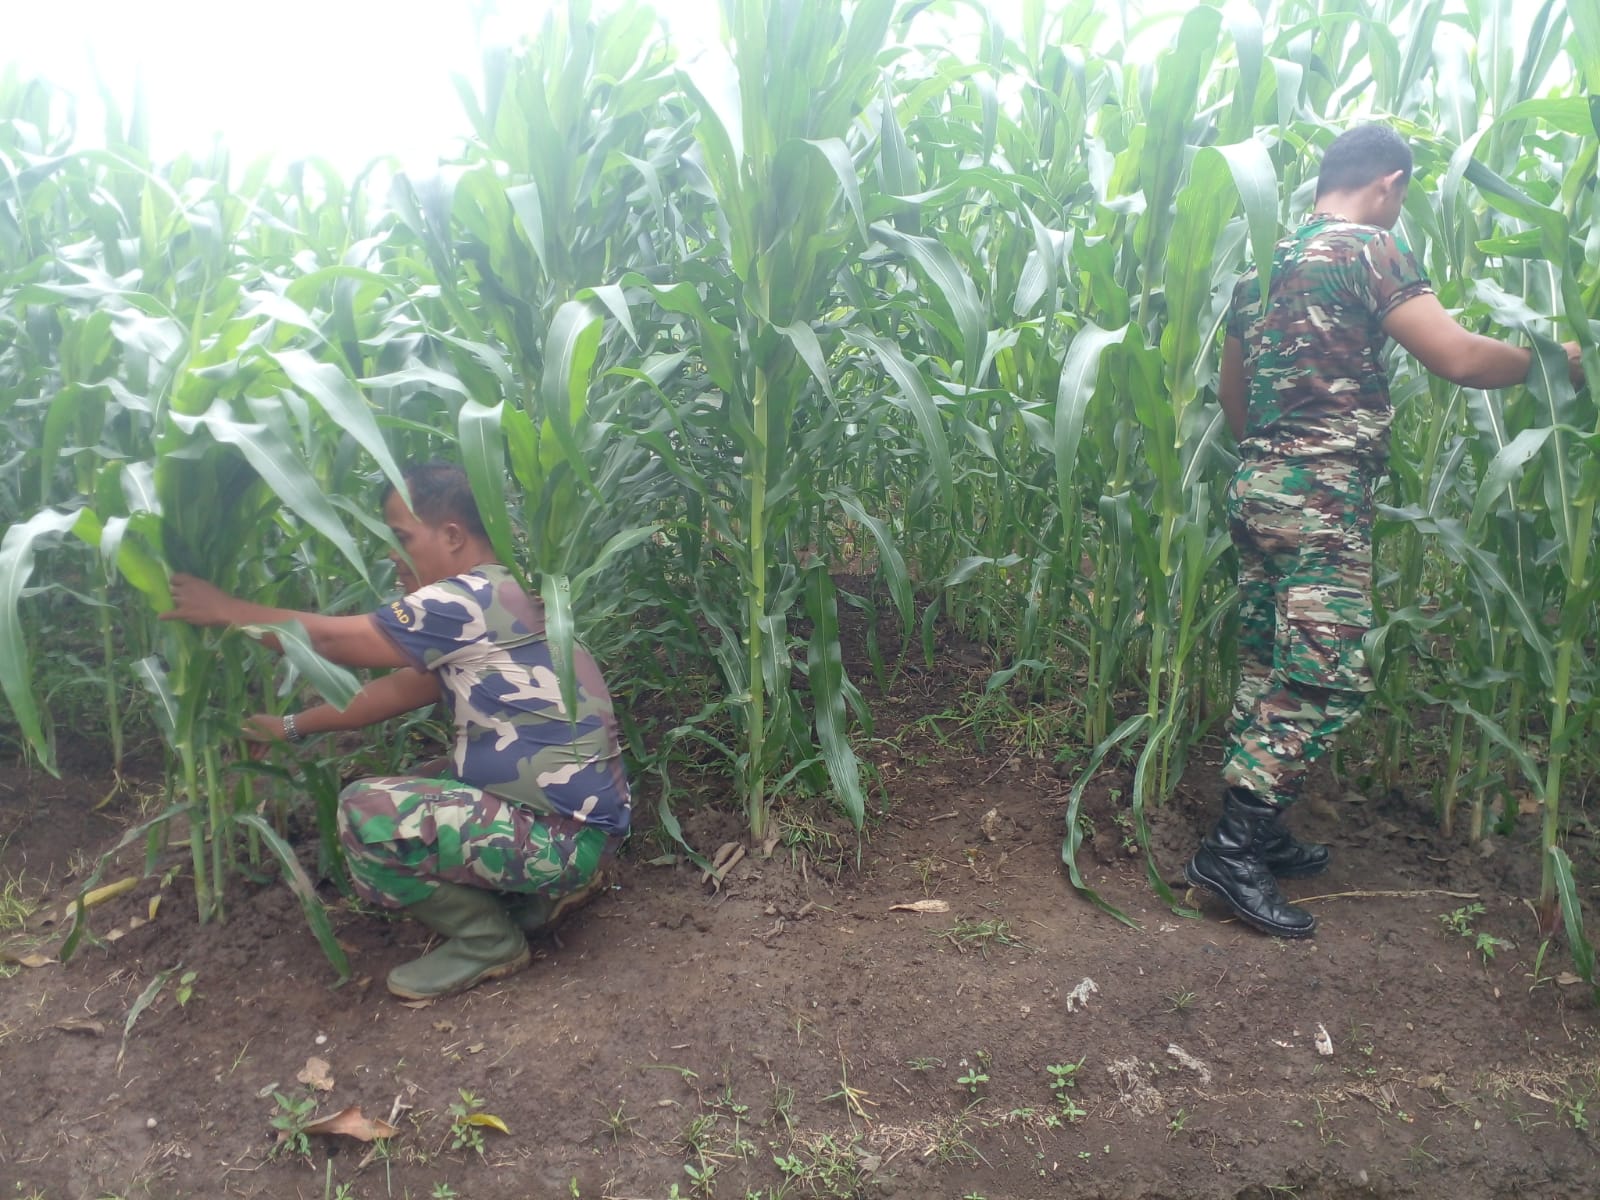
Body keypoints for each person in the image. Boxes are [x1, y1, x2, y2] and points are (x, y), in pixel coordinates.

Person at [1187, 124, 1584, 938]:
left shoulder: (1264, 257)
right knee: (1326, 670)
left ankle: (1257, 830)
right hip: (1323, 496)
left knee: (1268, 661)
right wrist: (1560, 361)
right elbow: (1460, 359)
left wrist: (1279, 456)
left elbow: (1235, 398)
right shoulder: (1370, 248)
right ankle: (1229, 852)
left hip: (1259, 484)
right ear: (1391, 185)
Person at [163, 461, 631, 997]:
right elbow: (394, 692)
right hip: (585, 833)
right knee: (429, 780)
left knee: (369, 814)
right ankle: (542, 895)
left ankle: (488, 941)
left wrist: (227, 610)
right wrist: (290, 725)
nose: (392, 554)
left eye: (403, 537)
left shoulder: (462, 599)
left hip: (564, 839)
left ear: (452, 536)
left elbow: (339, 642)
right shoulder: (506, 599)